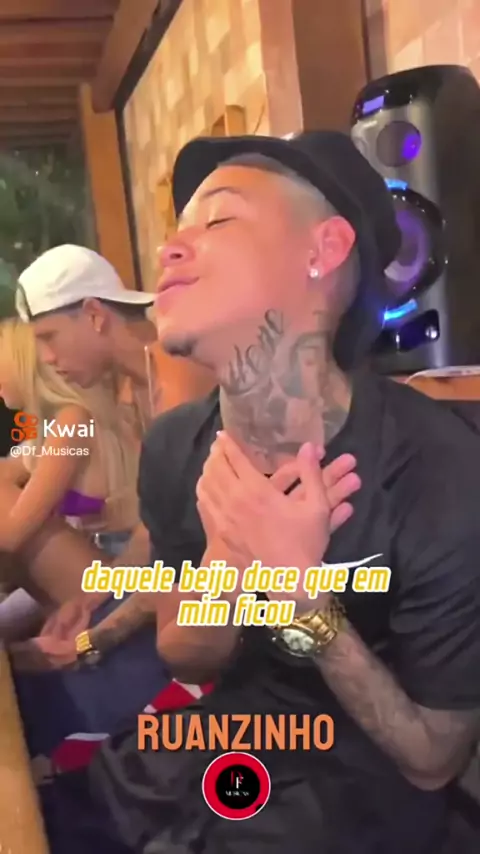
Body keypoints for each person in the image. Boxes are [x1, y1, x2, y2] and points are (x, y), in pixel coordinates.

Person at [90, 131, 480, 854]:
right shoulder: (175, 448)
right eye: (178, 230)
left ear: (322, 250)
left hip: (363, 789)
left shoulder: (440, 470)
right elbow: (185, 655)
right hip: (224, 748)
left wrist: (301, 597)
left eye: (220, 218)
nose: (169, 250)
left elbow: (433, 760)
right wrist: (228, 564)